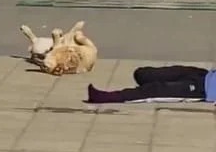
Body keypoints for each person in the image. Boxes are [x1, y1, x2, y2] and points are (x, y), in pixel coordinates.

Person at [86, 66, 216, 103]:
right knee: (143, 74)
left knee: (156, 90)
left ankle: (106, 97)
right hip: (204, 74)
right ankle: (149, 84)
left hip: (202, 90)